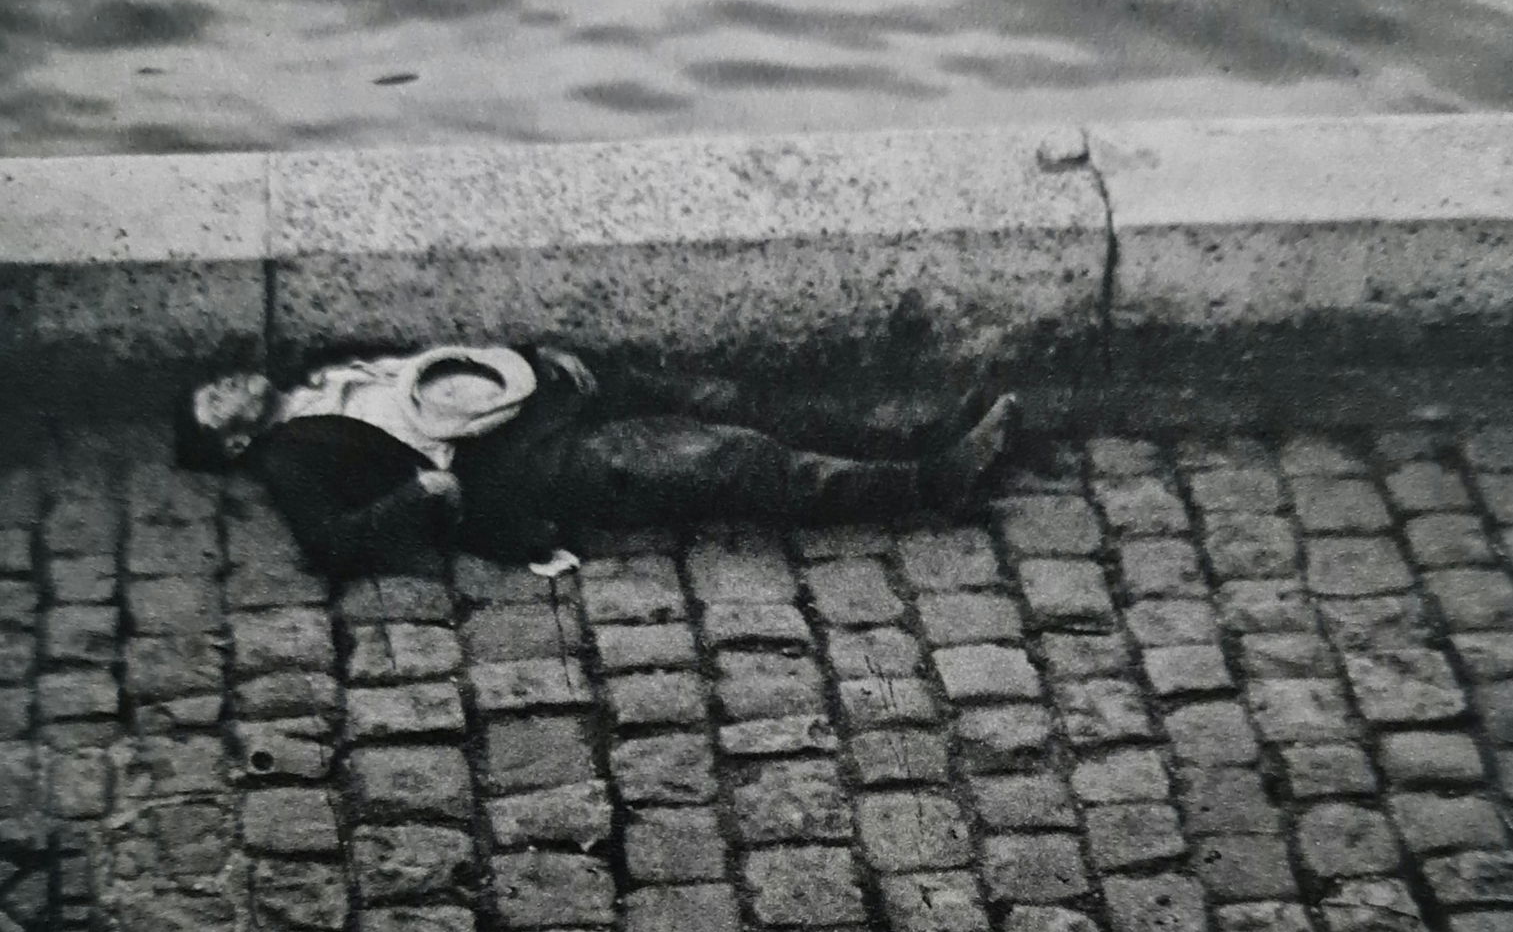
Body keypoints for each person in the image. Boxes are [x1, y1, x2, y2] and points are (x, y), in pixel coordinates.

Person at [175, 342, 1016, 578]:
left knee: (729, 398)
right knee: (730, 458)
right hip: (526, 466)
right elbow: (327, 546)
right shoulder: (288, 457)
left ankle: (922, 434)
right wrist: (422, 499)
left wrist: (533, 353)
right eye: (213, 403)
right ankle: (932, 484)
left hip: (543, 397)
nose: (225, 384)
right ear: (235, 443)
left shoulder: (323, 369)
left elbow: (440, 364)